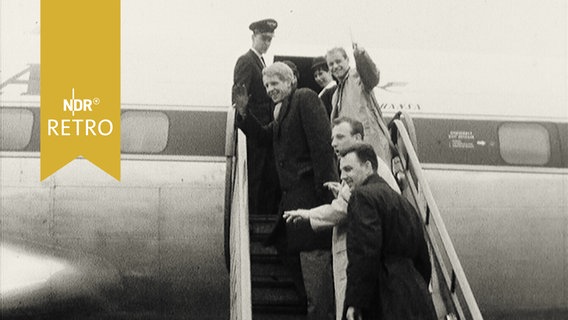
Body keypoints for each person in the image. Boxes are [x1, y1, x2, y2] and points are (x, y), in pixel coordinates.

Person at [234, 62, 337, 320]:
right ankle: (309, 303)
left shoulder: (305, 99)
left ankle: (318, 310)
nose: (270, 89)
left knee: (315, 271)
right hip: (292, 203)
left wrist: (325, 196)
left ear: (289, 81)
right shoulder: (280, 110)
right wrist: (244, 114)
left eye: (275, 84)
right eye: (267, 85)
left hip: (311, 202)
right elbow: (265, 137)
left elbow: (323, 147)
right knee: (282, 242)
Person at [283, 116, 400, 320]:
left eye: (340, 137)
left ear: (357, 138)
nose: (333, 143)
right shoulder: (370, 169)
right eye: (332, 138)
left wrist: (307, 214)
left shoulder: (369, 168)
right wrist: (344, 191)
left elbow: (341, 210)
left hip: (363, 271)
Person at [340, 143, 436, 320]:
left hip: (383, 298)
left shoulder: (362, 197)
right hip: (414, 296)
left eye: (348, 169)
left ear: (368, 166)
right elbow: (423, 258)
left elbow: (364, 254)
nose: (343, 177)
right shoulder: (402, 202)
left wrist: (355, 302)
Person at [233, 18, 280, 217]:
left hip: (263, 129)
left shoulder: (261, 62)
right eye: (264, 38)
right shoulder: (246, 61)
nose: (267, 43)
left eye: (270, 39)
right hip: (254, 129)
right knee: (256, 175)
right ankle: (253, 216)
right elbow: (240, 97)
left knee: (264, 174)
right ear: (253, 37)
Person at [326, 44, 392, 168]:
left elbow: (372, 76)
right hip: (352, 151)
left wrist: (361, 56)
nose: (335, 66)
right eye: (331, 64)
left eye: (338, 61)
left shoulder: (358, 77)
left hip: (371, 145)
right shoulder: (335, 95)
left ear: (347, 60)